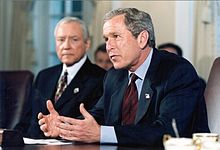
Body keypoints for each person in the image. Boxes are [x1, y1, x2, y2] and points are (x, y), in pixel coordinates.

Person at [38, 8, 209, 146]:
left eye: (116, 37)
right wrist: (63, 127)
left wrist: (101, 133)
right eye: (106, 39)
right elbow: (97, 116)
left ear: (142, 39)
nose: (109, 46)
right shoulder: (115, 75)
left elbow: (167, 131)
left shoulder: (177, 71)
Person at [15, 16, 106, 138]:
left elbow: (93, 124)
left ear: (87, 43)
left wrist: (60, 127)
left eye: (74, 39)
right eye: (61, 40)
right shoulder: (44, 76)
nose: (66, 46)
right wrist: (7, 136)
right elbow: (26, 121)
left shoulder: (100, 78)